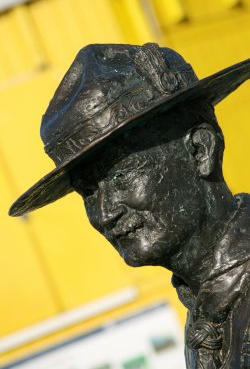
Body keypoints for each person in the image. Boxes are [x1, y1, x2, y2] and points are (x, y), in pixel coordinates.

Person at [9, 43, 250, 368]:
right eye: (88, 192)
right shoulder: (205, 309)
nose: (105, 212)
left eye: (121, 176)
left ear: (200, 151)